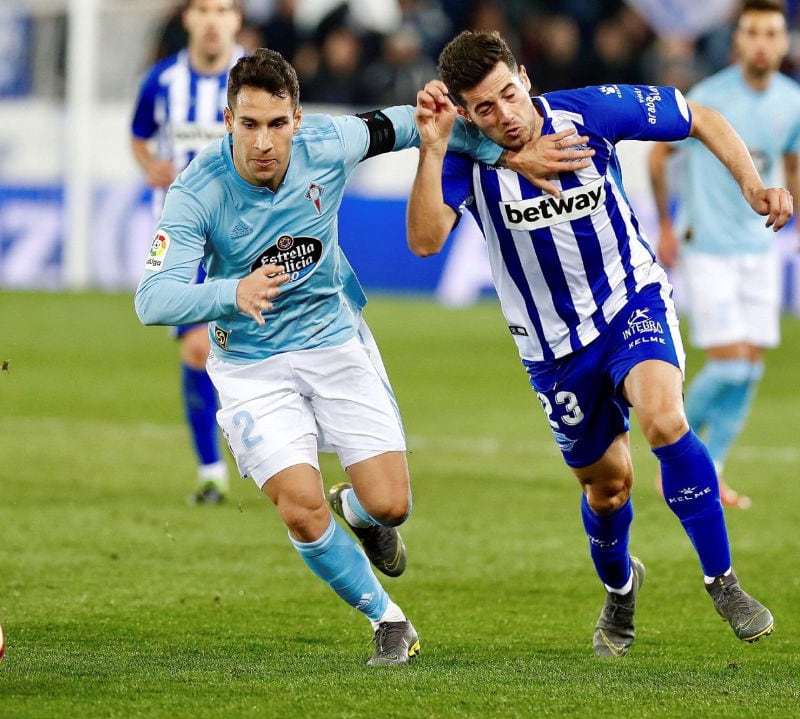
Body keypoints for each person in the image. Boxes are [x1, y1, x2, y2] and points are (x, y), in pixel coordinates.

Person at [134, 47, 576, 665]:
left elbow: (425, 125)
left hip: (335, 341)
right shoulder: (196, 191)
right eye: (249, 124)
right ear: (228, 119)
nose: (264, 141)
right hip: (251, 365)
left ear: (299, 118)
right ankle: (386, 619)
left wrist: (508, 152)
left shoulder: (331, 140)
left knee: (392, 504)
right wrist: (230, 292)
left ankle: (362, 514)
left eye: (278, 124)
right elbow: (153, 298)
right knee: (299, 504)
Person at [407, 30, 792, 658]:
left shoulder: (589, 113)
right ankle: (619, 589)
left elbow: (702, 117)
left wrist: (752, 187)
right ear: (466, 113)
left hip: (629, 299)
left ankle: (723, 581)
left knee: (665, 419)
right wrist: (431, 149)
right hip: (554, 349)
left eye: (508, 94)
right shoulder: (463, 157)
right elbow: (425, 242)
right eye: (484, 108)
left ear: (524, 77)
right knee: (607, 487)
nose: (504, 114)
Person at [648, 0, 800, 509]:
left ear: (785, 42)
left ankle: (712, 469)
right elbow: (659, 155)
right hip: (709, 246)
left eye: (771, 33)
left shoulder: (797, 104)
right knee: (728, 366)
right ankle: (670, 451)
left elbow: (792, 165)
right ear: (738, 41)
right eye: (751, 32)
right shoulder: (709, 97)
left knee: (752, 368)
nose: (761, 42)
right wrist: (665, 225)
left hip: (760, 246)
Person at [130, 0, 244, 505]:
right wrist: (150, 164)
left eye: (223, 8)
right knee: (197, 348)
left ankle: (270, 450)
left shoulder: (254, 76)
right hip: (184, 236)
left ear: (237, 19)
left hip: (247, 230)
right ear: (188, 19)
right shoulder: (161, 82)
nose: (213, 19)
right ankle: (211, 470)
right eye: (204, 8)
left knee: (258, 347)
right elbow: (138, 136)